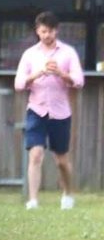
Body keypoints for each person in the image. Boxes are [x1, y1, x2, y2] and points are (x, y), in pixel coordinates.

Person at [15, 11, 84, 210]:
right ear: (37, 31)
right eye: (44, 31)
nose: (47, 35)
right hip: (36, 110)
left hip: (60, 112)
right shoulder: (29, 54)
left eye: (51, 31)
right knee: (35, 154)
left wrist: (61, 73)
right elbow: (19, 83)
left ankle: (68, 193)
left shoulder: (68, 52)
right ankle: (33, 200)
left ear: (57, 30)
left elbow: (79, 81)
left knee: (61, 159)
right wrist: (37, 74)